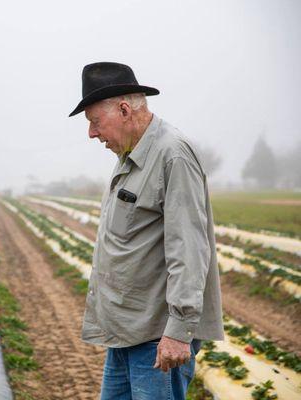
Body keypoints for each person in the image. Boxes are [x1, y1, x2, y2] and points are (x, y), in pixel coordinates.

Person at [69, 62, 224, 400]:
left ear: (124, 109)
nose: (92, 134)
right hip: (127, 331)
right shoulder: (129, 155)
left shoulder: (172, 155)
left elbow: (190, 248)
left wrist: (179, 332)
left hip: (156, 337)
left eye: (95, 122)